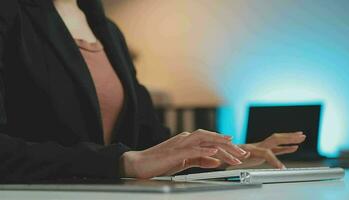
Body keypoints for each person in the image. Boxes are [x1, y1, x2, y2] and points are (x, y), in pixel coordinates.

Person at [0, 0, 306, 182]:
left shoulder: (108, 30)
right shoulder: (10, 16)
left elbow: (148, 143)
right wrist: (122, 162)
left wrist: (221, 157)